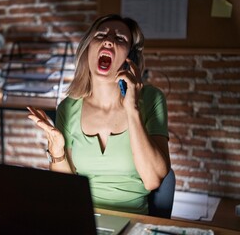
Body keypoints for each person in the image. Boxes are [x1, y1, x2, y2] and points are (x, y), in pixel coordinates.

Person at [27, 14, 170, 215]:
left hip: (133, 221)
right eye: (101, 35)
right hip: (81, 218)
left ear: (131, 57)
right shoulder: (68, 107)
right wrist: (57, 152)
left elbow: (152, 179)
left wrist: (132, 108)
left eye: (120, 39)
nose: (108, 40)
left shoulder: (152, 98)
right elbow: (67, 189)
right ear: (88, 49)